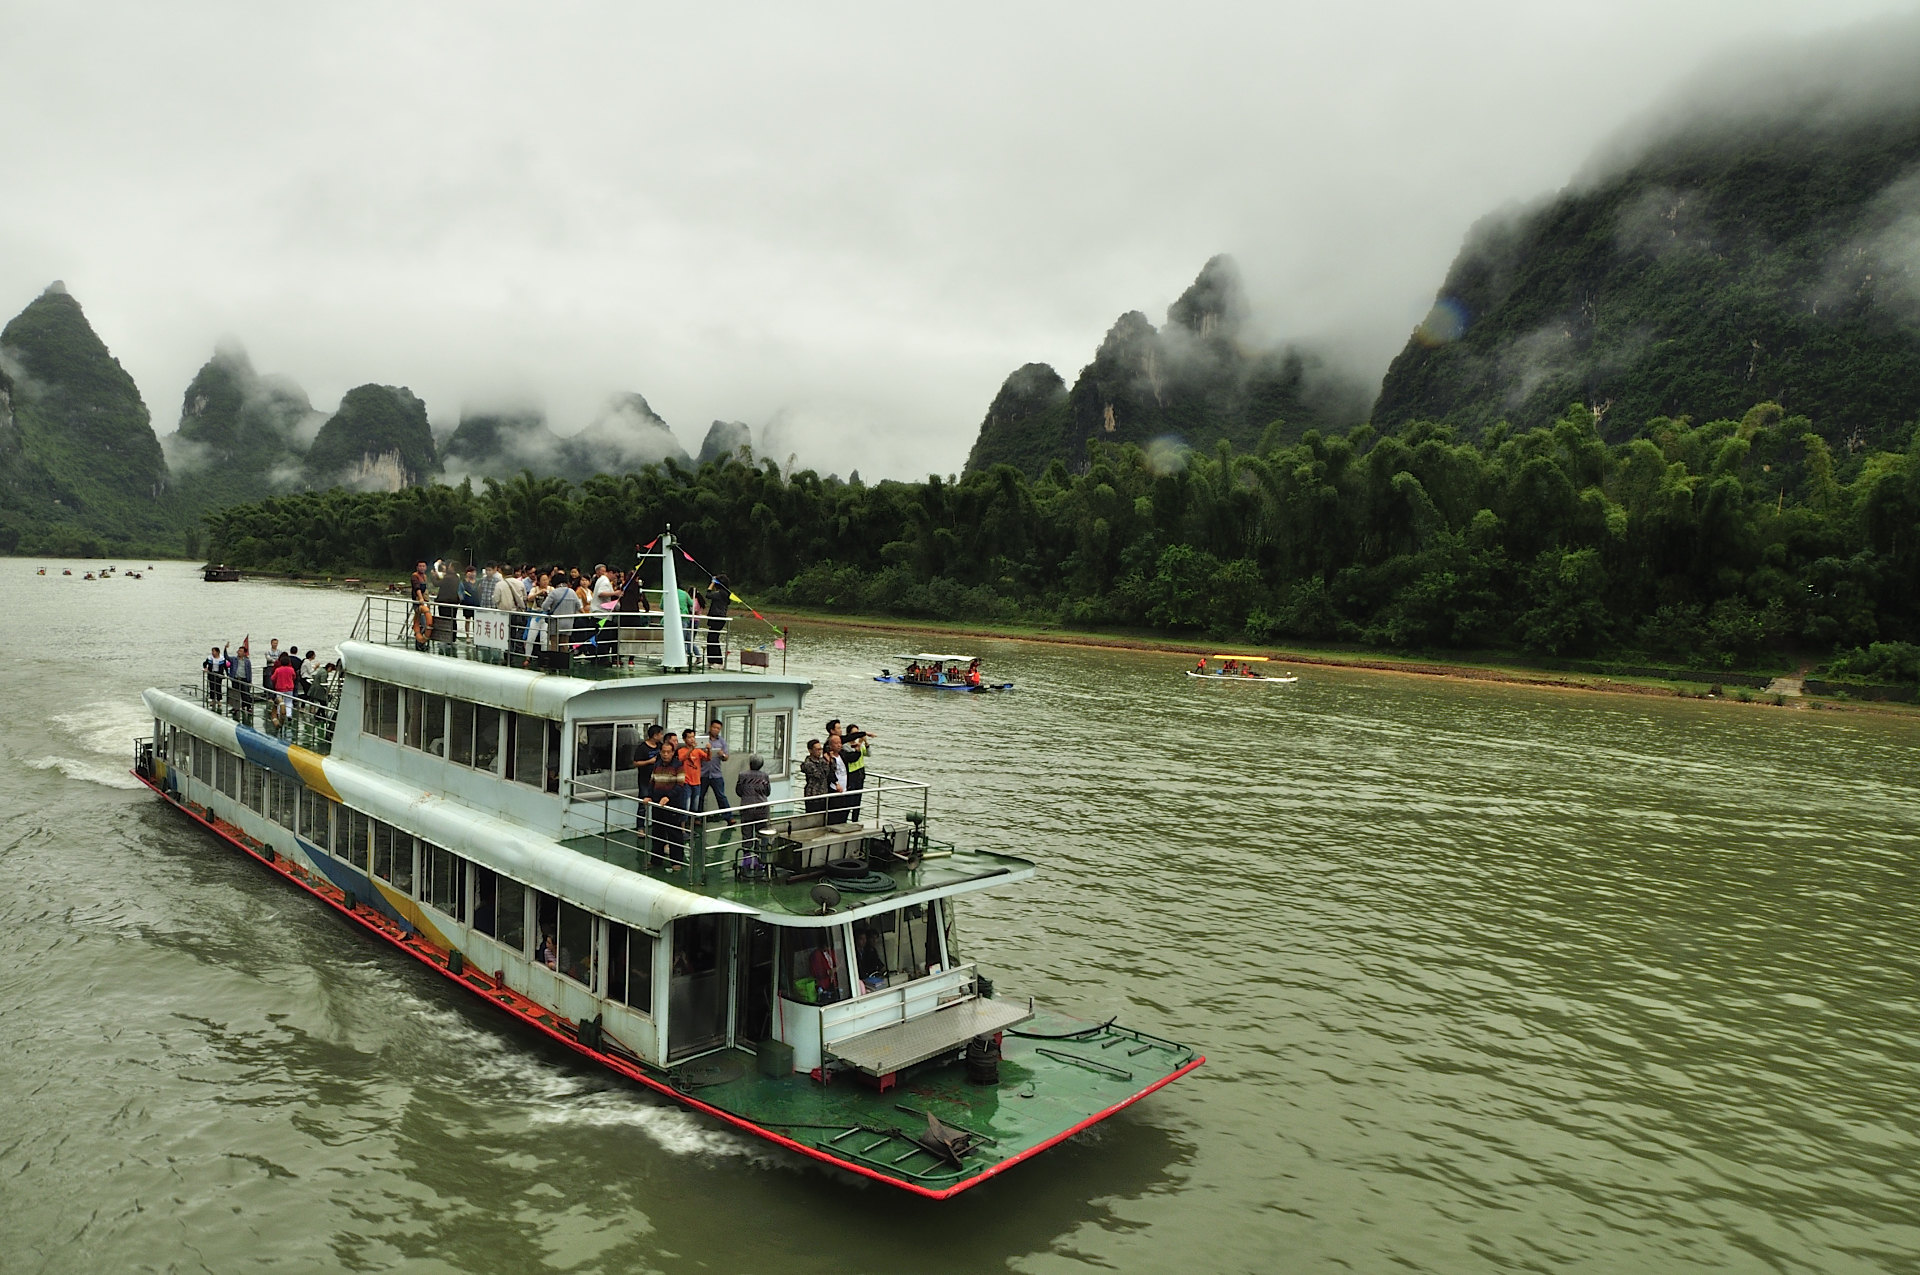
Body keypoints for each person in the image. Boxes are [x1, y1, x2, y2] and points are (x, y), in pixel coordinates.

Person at [692, 719, 730, 819]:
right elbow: (694, 753)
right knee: (699, 796)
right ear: (710, 727)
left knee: (721, 796)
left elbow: (726, 757)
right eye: (714, 727)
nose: (716, 730)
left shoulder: (722, 741)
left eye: (718, 728)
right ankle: (698, 818)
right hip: (702, 773)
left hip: (716, 774)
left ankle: (728, 817)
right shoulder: (702, 739)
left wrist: (723, 754)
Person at [734, 753, 771, 851]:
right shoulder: (765, 776)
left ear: (750, 763)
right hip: (762, 808)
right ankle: (759, 859)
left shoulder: (742, 775)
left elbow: (738, 791)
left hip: (747, 807)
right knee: (761, 834)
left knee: (746, 834)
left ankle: (746, 860)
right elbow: (767, 792)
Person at [842, 726, 872, 822]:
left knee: (857, 800)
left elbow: (868, 754)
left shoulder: (859, 745)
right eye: (854, 733)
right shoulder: (845, 746)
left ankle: (855, 820)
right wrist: (860, 743)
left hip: (860, 774)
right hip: (851, 775)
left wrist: (866, 743)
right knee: (850, 800)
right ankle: (844, 820)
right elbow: (853, 755)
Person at [799, 738, 833, 817]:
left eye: (820, 749)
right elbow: (820, 775)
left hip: (823, 792)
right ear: (810, 750)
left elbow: (831, 771)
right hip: (812, 793)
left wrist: (830, 760)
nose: (819, 752)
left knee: (823, 815)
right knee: (812, 816)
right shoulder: (808, 763)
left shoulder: (822, 761)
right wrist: (827, 764)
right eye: (817, 749)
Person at [704, 575, 731, 666]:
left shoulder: (720, 594)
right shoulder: (726, 593)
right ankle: (716, 660)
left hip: (717, 618)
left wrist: (712, 583)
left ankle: (714, 661)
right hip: (720, 619)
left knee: (712, 639)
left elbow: (708, 595)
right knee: (714, 639)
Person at [853, 926, 886, 991]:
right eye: (861, 939)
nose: (864, 941)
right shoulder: (853, 953)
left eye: (865, 938)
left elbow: (878, 963)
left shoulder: (870, 950)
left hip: (871, 980)